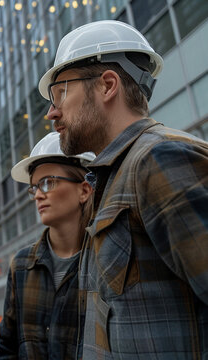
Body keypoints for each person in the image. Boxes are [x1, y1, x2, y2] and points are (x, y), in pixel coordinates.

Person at [40, 20, 208, 358]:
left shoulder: (161, 159)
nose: (51, 112)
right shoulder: (110, 178)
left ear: (107, 86)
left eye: (61, 92)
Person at [0, 132, 94, 359]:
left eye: (48, 183)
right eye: (35, 187)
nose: (38, 195)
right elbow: (7, 349)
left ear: (84, 190)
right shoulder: (21, 265)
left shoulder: (106, 257)